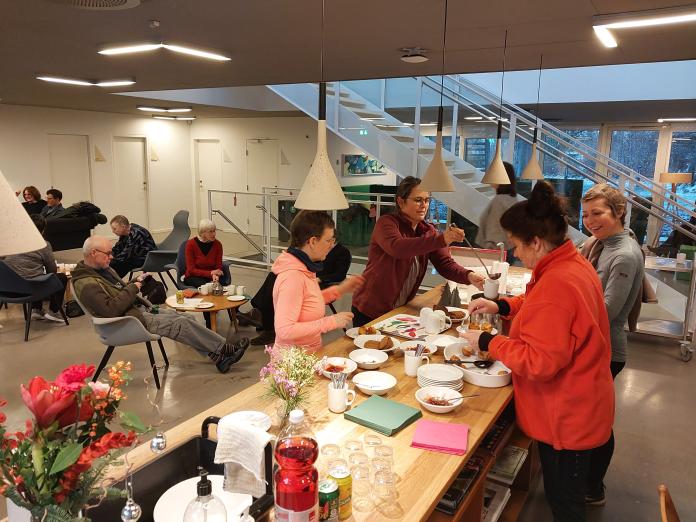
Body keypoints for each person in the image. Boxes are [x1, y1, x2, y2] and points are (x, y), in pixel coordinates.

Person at [461, 181, 614, 522]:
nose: (515, 253)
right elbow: (538, 305)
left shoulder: (558, 283)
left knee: (566, 505)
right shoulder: (568, 263)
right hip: (583, 402)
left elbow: (539, 362)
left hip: (567, 416)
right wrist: (501, 305)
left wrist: (489, 343)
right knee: (566, 496)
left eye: (516, 246)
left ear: (536, 241)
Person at [72, 236, 248, 373]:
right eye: (107, 253)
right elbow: (111, 310)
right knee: (181, 323)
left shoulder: (102, 270)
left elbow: (118, 291)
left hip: (136, 311)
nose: (111, 257)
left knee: (183, 316)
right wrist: (134, 288)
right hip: (127, 322)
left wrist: (136, 281)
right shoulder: (87, 283)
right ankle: (224, 349)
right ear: (93, 253)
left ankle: (218, 358)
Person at [580, 184, 644, 505]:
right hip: (592, 345)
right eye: (586, 214)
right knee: (590, 416)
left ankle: (593, 487)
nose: (590, 220)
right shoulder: (599, 243)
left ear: (618, 212)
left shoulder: (624, 254)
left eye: (598, 213)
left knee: (597, 421)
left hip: (606, 351)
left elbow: (606, 312)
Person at [351, 176, 485, 327]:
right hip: (370, 309)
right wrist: (442, 239)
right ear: (401, 201)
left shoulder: (428, 231)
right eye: (418, 200)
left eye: (427, 200)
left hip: (399, 309)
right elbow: (398, 248)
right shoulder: (386, 223)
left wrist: (469, 275)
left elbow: (445, 264)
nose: (424, 205)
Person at [272, 211, 363, 352]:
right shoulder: (293, 277)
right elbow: (284, 329)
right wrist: (331, 322)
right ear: (313, 241)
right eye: (329, 240)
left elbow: (309, 301)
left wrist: (341, 289)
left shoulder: (305, 267)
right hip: (293, 363)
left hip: (309, 355)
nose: (331, 245)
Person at [247, 241, 353, 347]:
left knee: (278, 284)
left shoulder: (342, 253)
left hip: (324, 282)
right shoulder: (302, 269)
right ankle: (262, 315)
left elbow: (339, 275)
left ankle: (260, 315)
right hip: (310, 280)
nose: (328, 246)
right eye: (327, 240)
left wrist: (320, 279)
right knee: (274, 277)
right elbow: (286, 330)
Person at [1, 214, 67, 323]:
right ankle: (54, 311)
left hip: (6, 290)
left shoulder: (10, 242)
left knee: (34, 275)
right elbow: (52, 270)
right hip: (30, 290)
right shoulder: (43, 244)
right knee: (60, 277)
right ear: (43, 229)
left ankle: (36, 309)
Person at [475, 161, 520, 263]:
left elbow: (495, 232)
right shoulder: (512, 199)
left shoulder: (499, 201)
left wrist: (489, 251)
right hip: (508, 249)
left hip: (497, 251)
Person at [184, 219, 224, 288]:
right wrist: (211, 273)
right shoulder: (191, 244)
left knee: (222, 281)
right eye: (210, 232)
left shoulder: (218, 244)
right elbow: (191, 270)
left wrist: (216, 275)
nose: (214, 234)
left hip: (212, 275)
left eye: (214, 231)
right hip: (195, 276)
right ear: (202, 233)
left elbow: (218, 266)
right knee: (205, 285)